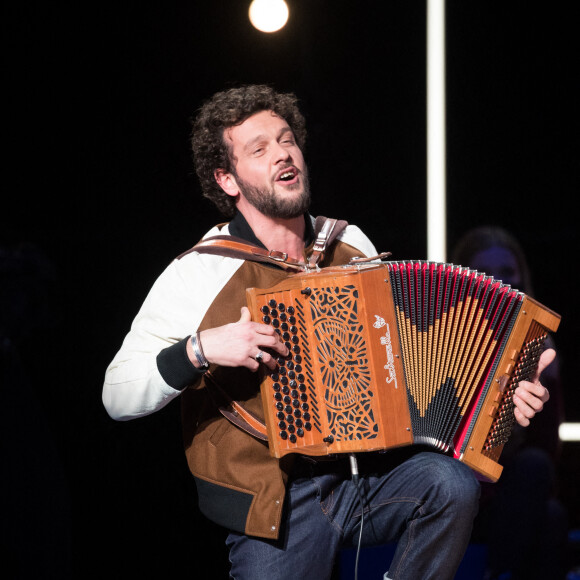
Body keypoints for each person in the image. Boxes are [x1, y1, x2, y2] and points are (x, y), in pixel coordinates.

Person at [102, 85, 555, 580]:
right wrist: (202, 348)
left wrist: (498, 398)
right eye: (259, 149)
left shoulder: (349, 245)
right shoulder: (199, 274)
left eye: (286, 139)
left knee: (452, 485)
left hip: (365, 480)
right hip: (277, 501)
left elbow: (405, 368)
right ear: (226, 179)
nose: (283, 153)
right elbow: (117, 395)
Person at [452, 226, 568, 580]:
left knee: (548, 507)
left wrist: (537, 386)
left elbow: (546, 454)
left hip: (509, 495)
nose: (502, 282)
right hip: (457, 492)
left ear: (522, 278)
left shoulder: (541, 350)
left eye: (508, 273)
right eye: (488, 274)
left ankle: (497, 574)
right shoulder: (446, 342)